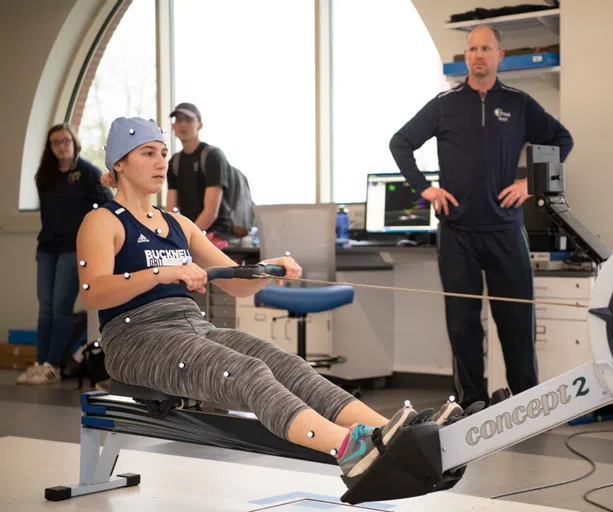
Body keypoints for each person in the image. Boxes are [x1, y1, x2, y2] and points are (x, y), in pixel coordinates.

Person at [77, 116, 464, 482]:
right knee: (246, 372)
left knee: (284, 363)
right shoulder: (103, 220)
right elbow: (93, 291)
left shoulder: (176, 223)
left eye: (163, 152)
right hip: (136, 340)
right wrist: (165, 272)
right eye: (148, 153)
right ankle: (351, 450)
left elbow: (236, 283)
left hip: (191, 327)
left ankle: (392, 433)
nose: (161, 161)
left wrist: (266, 269)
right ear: (120, 164)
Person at [389, 25, 574, 408]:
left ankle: (526, 404)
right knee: (463, 327)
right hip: (457, 234)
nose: (477, 55)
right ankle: (471, 403)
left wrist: (532, 184)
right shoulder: (445, 104)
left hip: (505, 231)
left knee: (516, 325)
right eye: (472, 49)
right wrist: (426, 189)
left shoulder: (520, 104)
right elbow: (401, 143)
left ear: (499, 55)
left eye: (485, 49)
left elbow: (561, 139)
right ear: (466, 55)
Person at [16, 124, 113, 386]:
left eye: (66, 140)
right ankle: (40, 363)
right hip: (47, 248)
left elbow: (109, 205)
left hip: (74, 249)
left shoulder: (89, 173)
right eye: (56, 142)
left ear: (75, 142)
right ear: (50, 148)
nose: (62, 145)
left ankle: (53, 365)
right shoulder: (44, 176)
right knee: (45, 309)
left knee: (61, 308)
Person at [165, 102, 236, 246]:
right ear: (173, 126)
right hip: (192, 234)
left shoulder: (212, 156)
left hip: (216, 235)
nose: (182, 124)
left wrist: (185, 239)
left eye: (188, 119)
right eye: (178, 120)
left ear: (200, 125)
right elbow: (170, 210)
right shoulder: (175, 162)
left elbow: (211, 213)